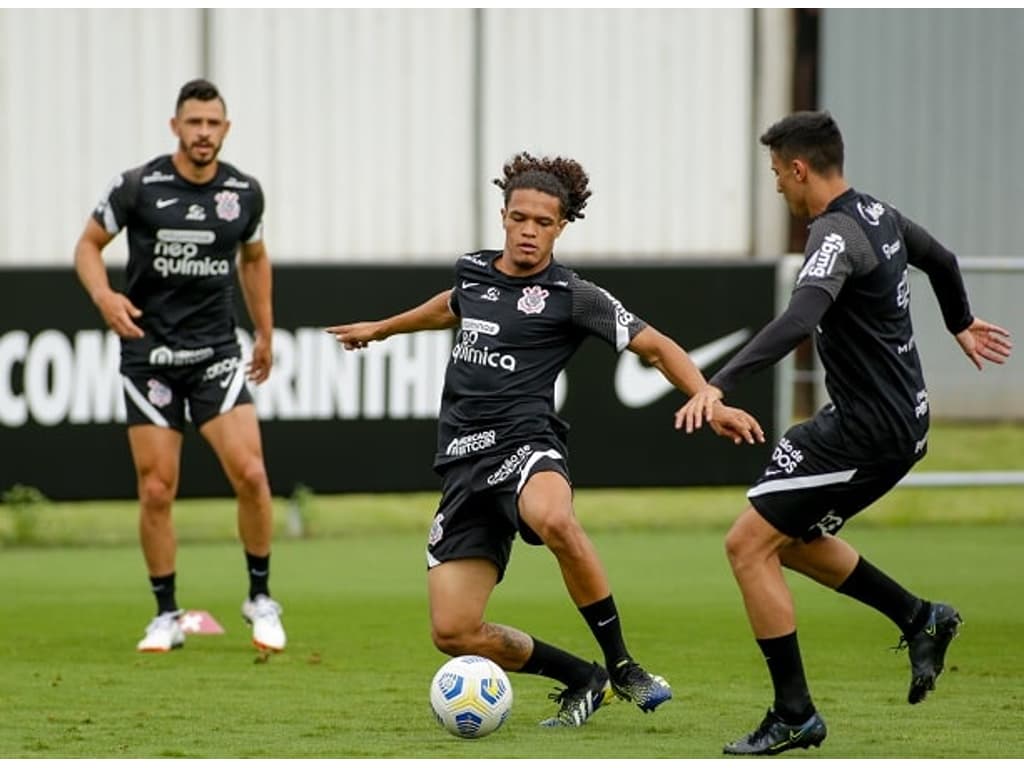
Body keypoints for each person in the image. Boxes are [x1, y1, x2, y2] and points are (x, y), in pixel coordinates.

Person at [327, 152, 765, 727]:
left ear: (561, 227)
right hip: (462, 465)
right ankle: (584, 677)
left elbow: (655, 347)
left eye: (543, 223)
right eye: (519, 218)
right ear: (504, 216)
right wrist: (381, 329)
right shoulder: (473, 271)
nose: (528, 231)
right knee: (453, 631)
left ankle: (624, 663)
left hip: (525, 445)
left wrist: (708, 397)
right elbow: (449, 308)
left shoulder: (574, 295)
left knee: (555, 519)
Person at [677, 111, 1013, 755]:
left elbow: (802, 316)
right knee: (788, 540)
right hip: (895, 420)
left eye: (778, 174)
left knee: (747, 546)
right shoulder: (878, 215)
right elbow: (939, 258)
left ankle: (795, 714)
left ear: (800, 168)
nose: (777, 186)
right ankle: (922, 618)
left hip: (868, 433)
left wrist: (718, 385)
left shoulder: (833, 234)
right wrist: (961, 321)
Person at [73, 78, 286, 654]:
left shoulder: (244, 192)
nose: (203, 133)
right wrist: (104, 298)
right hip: (150, 357)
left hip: (216, 354)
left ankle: (260, 597)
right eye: (193, 123)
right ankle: (167, 613)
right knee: (157, 489)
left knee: (252, 476)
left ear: (226, 129)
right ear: (175, 127)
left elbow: (255, 258)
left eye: (213, 124)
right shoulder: (138, 186)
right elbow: (87, 247)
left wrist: (264, 333)